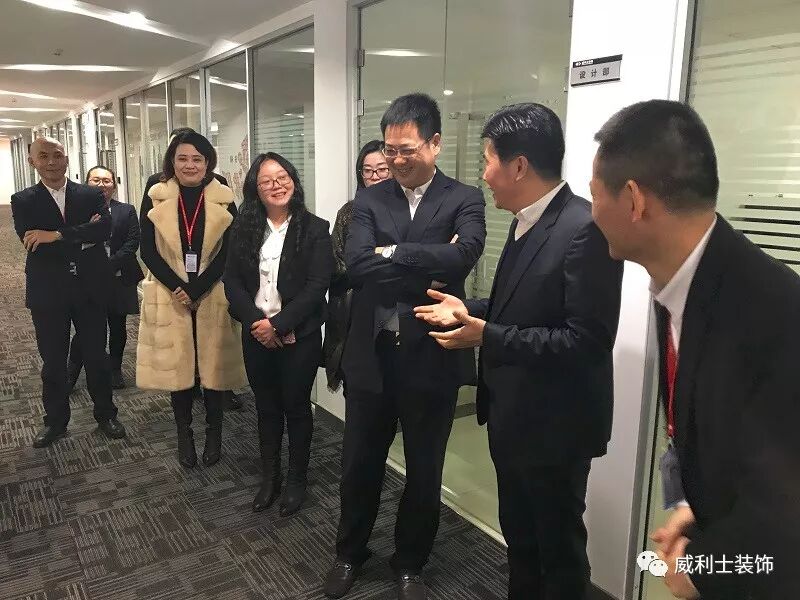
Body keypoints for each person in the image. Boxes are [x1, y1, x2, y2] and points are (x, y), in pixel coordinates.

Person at [590, 100, 800, 599]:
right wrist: (693, 505)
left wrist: (705, 570)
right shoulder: (680, 280)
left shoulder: (773, 312)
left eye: (595, 194)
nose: (591, 212)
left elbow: (788, 508)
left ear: (634, 201)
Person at [415, 103, 623, 599]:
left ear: (519, 166)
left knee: (558, 554)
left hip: (555, 427)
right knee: (522, 542)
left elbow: (586, 341)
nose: (484, 175)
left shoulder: (584, 229)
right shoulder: (525, 220)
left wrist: (484, 334)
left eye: (488, 160)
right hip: (514, 416)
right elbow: (519, 305)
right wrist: (467, 308)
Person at [323, 93, 486, 600]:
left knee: (424, 470)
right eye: (389, 150)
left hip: (431, 355)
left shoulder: (465, 198)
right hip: (371, 355)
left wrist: (392, 252)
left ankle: (410, 562)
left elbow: (465, 255)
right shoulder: (369, 200)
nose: (395, 159)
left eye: (406, 149)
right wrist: (428, 262)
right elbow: (357, 263)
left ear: (434, 143)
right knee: (359, 465)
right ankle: (349, 553)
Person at [224, 153, 334, 516]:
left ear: (294, 181)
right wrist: (259, 324)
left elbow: (317, 286)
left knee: (297, 407)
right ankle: (269, 477)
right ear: (255, 188)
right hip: (256, 332)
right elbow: (232, 282)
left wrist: (279, 325)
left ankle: (296, 480)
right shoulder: (242, 227)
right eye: (267, 180)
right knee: (266, 407)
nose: (277, 185)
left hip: (299, 336)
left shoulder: (315, 228)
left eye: (283, 177)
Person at [137, 130, 246, 469]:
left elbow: (231, 249)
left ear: (208, 162)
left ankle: (214, 435)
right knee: (180, 369)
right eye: (182, 158)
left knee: (213, 368)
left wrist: (198, 288)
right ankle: (184, 436)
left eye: (197, 159)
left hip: (212, 292)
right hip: (170, 293)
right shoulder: (156, 191)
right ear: (172, 160)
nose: (190, 165)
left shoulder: (222, 193)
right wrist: (179, 287)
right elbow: (147, 248)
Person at [11, 137, 126, 447]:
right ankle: (55, 422)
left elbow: (104, 229)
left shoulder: (90, 194)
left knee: (97, 357)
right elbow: (32, 242)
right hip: (48, 291)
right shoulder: (22, 200)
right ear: (32, 162)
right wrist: (82, 236)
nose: (51, 161)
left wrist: (55, 235)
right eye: (43, 156)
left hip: (90, 288)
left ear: (66, 158)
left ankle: (106, 414)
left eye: (57, 154)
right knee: (53, 362)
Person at [67, 166, 144, 390]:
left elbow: (132, 242)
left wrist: (108, 265)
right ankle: (71, 373)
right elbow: (71, 240)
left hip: (118, 277)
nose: (101, 184)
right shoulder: (76, 211)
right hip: (87, 279)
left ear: (114, 185)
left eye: (107, 180)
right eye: (96, 180)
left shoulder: (126, 210)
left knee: (118, 326)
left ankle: (115, 369)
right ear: (87, 184)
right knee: (86, 327)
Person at [323, 139, 391, 392]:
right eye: (367, 170)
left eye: (382, 169)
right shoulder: (349, 212)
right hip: (354, 314)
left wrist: (372, 258)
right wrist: (386, 258)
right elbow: (338, 266)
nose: (375, 176)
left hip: (395, 314)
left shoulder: (408, 212)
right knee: (357, 393)